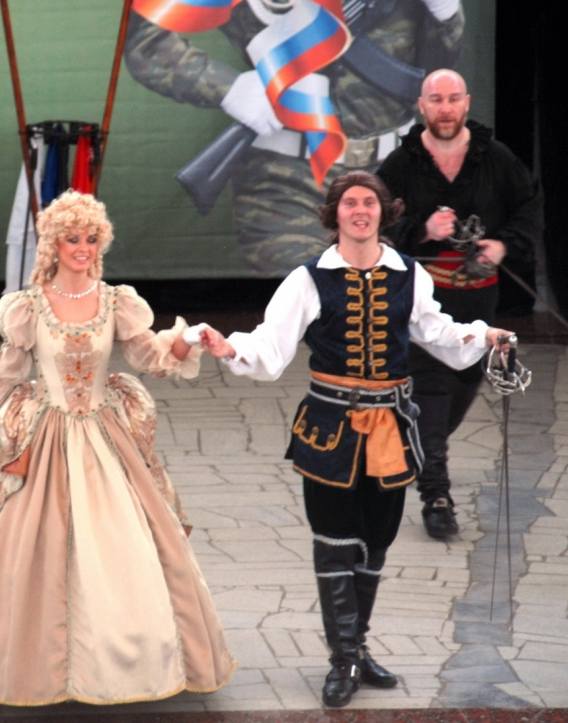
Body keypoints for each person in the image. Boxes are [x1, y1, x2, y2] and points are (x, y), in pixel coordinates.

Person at [197, 171, 512, 708]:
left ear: (383, 211)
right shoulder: (308, 279)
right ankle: (342, 657)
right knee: (335, 540)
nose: (360, 211)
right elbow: (273, 345)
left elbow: (437, 332)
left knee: (375, 542)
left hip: (390, 427)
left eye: (369, 202)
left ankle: (356, 648)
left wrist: (484, 335)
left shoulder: (409, 274)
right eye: (350, 203)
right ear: (334, 213)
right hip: (329, 429)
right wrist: (232, 349)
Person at [0, 191, 235, 705]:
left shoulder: (115, 301)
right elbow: (4, 377)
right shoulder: (28, 307)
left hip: (106, 436)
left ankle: (127, 663)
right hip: (44, 438)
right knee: (24, 550)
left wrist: (189, 338)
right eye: (72, 239)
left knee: (128, 550)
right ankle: (22, 665)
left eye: (90, 239)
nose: (82, 248)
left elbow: (149, 356)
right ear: (53, 244)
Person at [123, 0, 464, 276]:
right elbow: (146, 40)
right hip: (287, 181)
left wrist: (446, 14)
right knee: (303, 303)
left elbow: (436, 71)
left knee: (392, 308)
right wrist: (230, 89)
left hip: (392, 180)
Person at [376, 69, 543, 540]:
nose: (445, 108)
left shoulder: (496, 158)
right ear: (422, 106)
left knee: (464, 383)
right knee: (430, 390)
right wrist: (422, 230)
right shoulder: (401, 165)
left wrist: (502, 247)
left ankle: (416, 449)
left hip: (477, 300)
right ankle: (437, 498)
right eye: (436, 100)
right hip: (421, 303)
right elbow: (377, 222)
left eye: (453, 99)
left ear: (466, 103)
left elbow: (529, 209)